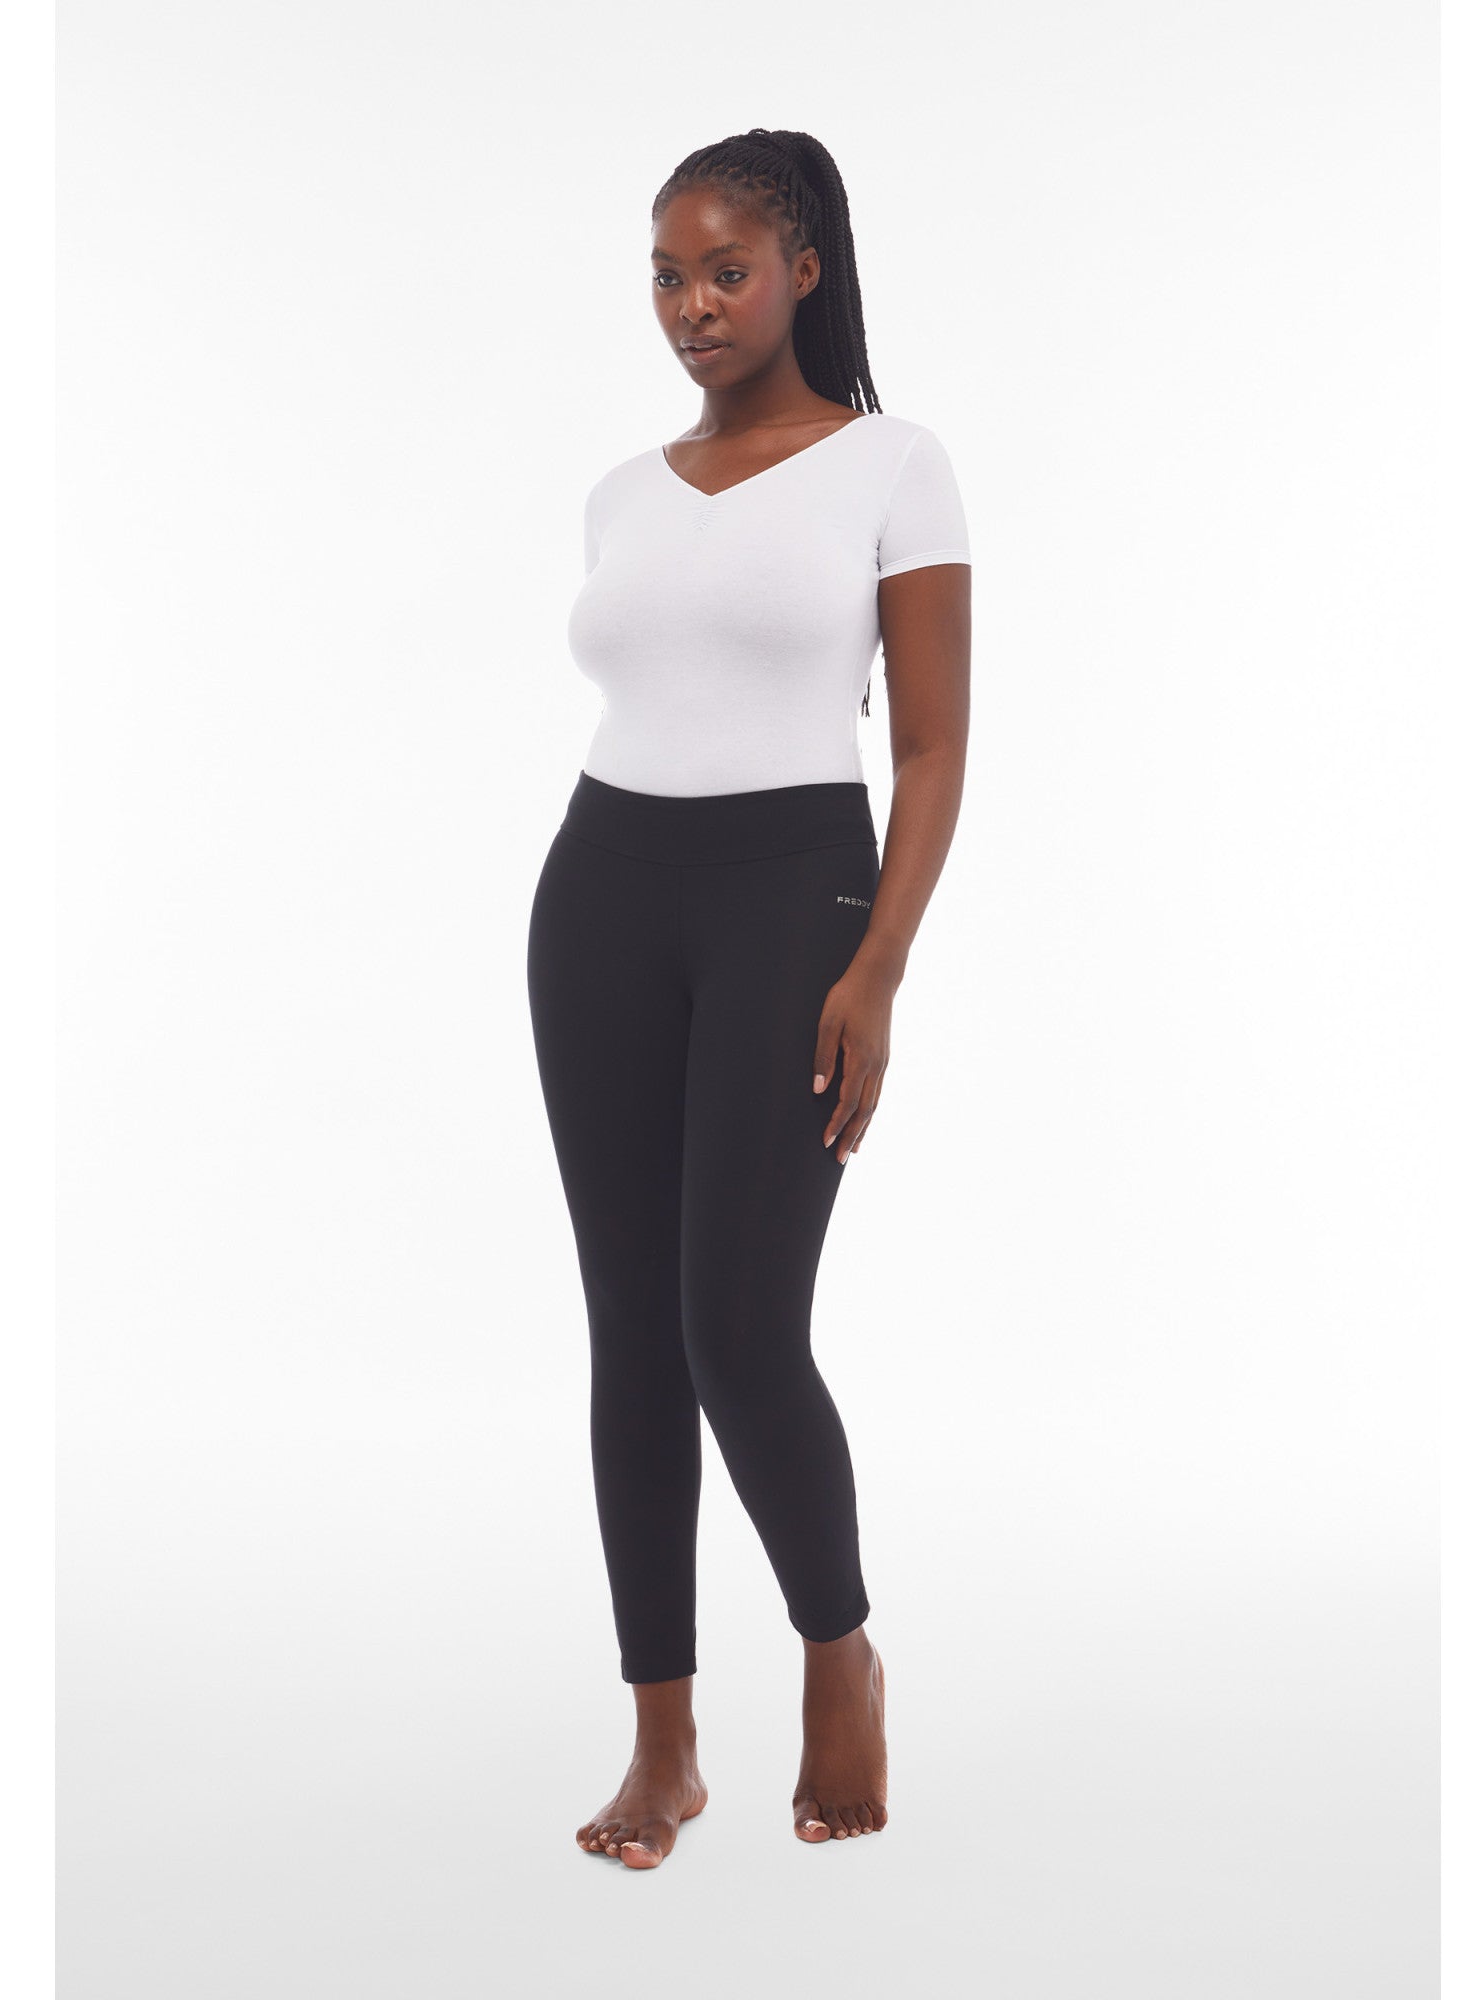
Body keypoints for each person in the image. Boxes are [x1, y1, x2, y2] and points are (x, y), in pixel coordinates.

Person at [526, 127, 972, 1870]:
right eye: (667, 274)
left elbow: (928, 746)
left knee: (740, 1327)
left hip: (796, 897)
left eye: (725, 270)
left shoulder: (895, 465)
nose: (693, 305)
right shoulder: (621, 492)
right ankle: (664, 1744)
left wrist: (881, 963)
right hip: (602, 894)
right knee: (633, 1332)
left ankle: (837, 1651)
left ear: (803, 269)